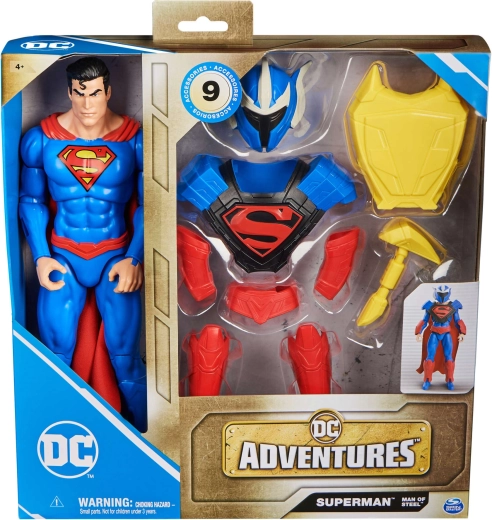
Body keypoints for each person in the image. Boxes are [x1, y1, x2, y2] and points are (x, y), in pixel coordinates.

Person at [19, 57, 147, 431]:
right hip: (63, 258)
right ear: (69, 93)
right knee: (56, 355)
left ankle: (150, 437)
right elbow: (31, 201)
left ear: (108, 92)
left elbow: (150, 205)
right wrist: (41, 257)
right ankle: (55, 431)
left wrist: (134, 257)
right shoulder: (41, 140)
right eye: (79, 94)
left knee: (125, 360)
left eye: (94, 94)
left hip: (114, 258)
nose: (87, 104)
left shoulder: (135, 140)